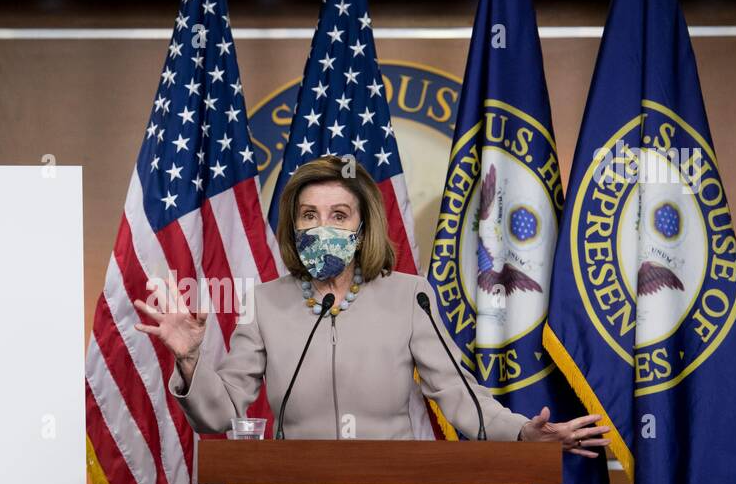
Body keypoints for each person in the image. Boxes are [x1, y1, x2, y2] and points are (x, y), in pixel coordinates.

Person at [134, 155, 610, 454]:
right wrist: (191, 358)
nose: (323, 227)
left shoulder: (409, 297)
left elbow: (462, 398)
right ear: (293, 228)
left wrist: (525, 433)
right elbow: (220, 414)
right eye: (309, 215)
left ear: (362, 229)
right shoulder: (265, 302)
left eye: (339, 215)